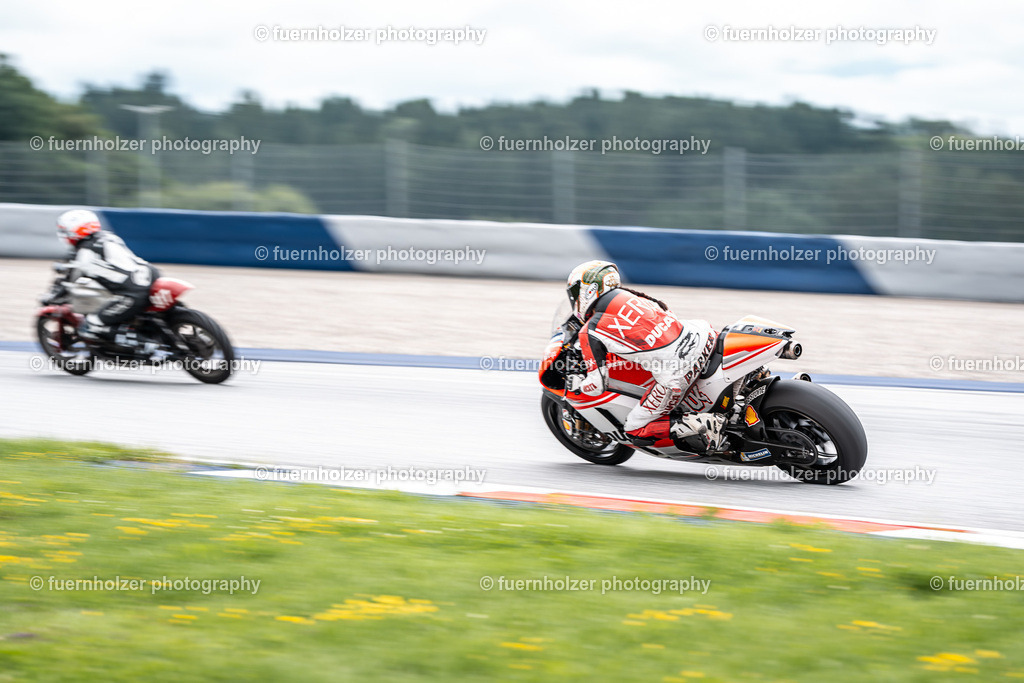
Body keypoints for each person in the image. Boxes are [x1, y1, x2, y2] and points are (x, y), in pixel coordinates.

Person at [565, 259, 726, 452]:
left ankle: (706, 425)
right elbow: (665, 313)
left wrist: (578, 386)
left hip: (678, 371)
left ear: (588, 291)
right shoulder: (632, 296)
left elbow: (597, 384)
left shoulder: (590, 329)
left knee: (634, 428)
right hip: (702, 334)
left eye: (575, 293)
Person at [55, 209, 159, 341]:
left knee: (92, 324)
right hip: (151, 275)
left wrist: (55, 298)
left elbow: (71, 282)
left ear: (72, 231)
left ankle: (147, 346)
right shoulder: (110, 237)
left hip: (133, 293)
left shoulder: (85, 253)